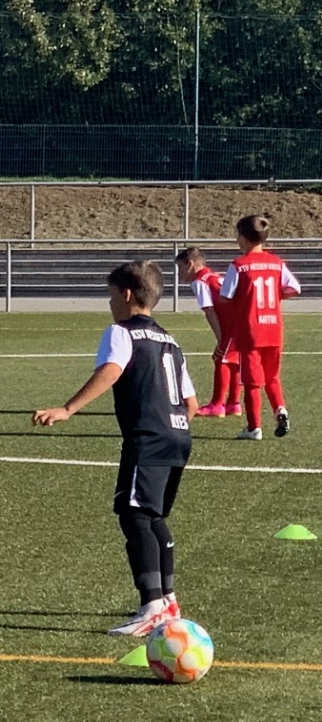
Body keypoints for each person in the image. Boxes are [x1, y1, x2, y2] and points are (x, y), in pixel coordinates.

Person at [33, 261, 197, 636]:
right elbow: (191, 402)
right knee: (152, 516)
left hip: (148, 436)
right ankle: (168, 600)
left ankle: (152, 606)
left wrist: (68, 409)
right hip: (178, 435)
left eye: (110, 296)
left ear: (125, 294)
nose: (109, 304)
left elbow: (111, 370)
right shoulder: (170, 340)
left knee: (134, 515)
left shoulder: (121, 332)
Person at [220, 214, 302, 440]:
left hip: (251, 330)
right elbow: (295, 288)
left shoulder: (239, 265)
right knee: (272, 377)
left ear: (244, 238)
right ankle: (280, 409)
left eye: (238, 235)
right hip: (273, 328)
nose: (237, 239)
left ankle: (254, 427)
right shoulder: (276, 262)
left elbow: (226, 296)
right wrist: (277, 295)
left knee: (251, 382)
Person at [176, 247, 242, 418]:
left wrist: (220, 339)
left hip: (232, 326)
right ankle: (233, 404)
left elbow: (209, 311)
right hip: (241, 322)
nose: (179, 273)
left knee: (221, 359)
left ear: (190, 264)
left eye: (180, 268)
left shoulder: (199, 281)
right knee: (234, 361)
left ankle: (217, 405)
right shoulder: (213, 276)